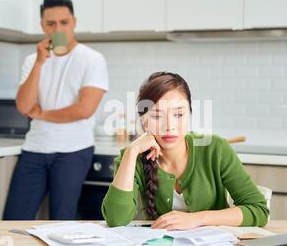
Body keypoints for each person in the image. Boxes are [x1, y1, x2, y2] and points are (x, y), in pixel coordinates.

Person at [102, 72, 268, 230]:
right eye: (157, 116)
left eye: (178, 114)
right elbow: (116, 220)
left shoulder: (215, 149)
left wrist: (196, 219)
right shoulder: (133, 156)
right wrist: (132, 151)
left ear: (190, 114)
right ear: (144, 121)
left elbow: (258, 210)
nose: (169, 126)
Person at [3, 0, 109, 220]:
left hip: (73, 151)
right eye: (51, 24)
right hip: (35, 149)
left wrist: (41, 113)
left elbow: (84, 109)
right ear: (42, 25)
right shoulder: (32, 61)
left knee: (62, 221)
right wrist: (41, 62)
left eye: (64, 22)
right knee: (13, 218)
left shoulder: (92, 59)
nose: (58, 30)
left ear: (74, 22)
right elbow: (23, 105)